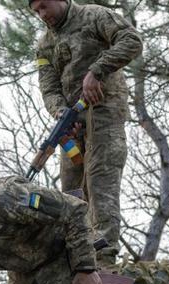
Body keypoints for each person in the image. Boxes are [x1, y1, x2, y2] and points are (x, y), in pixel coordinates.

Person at [30, 0, 142, 269]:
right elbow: (49, 87)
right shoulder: (44, 44)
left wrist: (97, 70)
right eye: (36, 11)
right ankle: (76, 263)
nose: (42, 15)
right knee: (71, 194)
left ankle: (103, 261)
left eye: (45, 6)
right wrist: (61, 115)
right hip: (72, 127)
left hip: (104, 116)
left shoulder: (94, 16)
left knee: (100, 184)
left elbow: (132, 40)